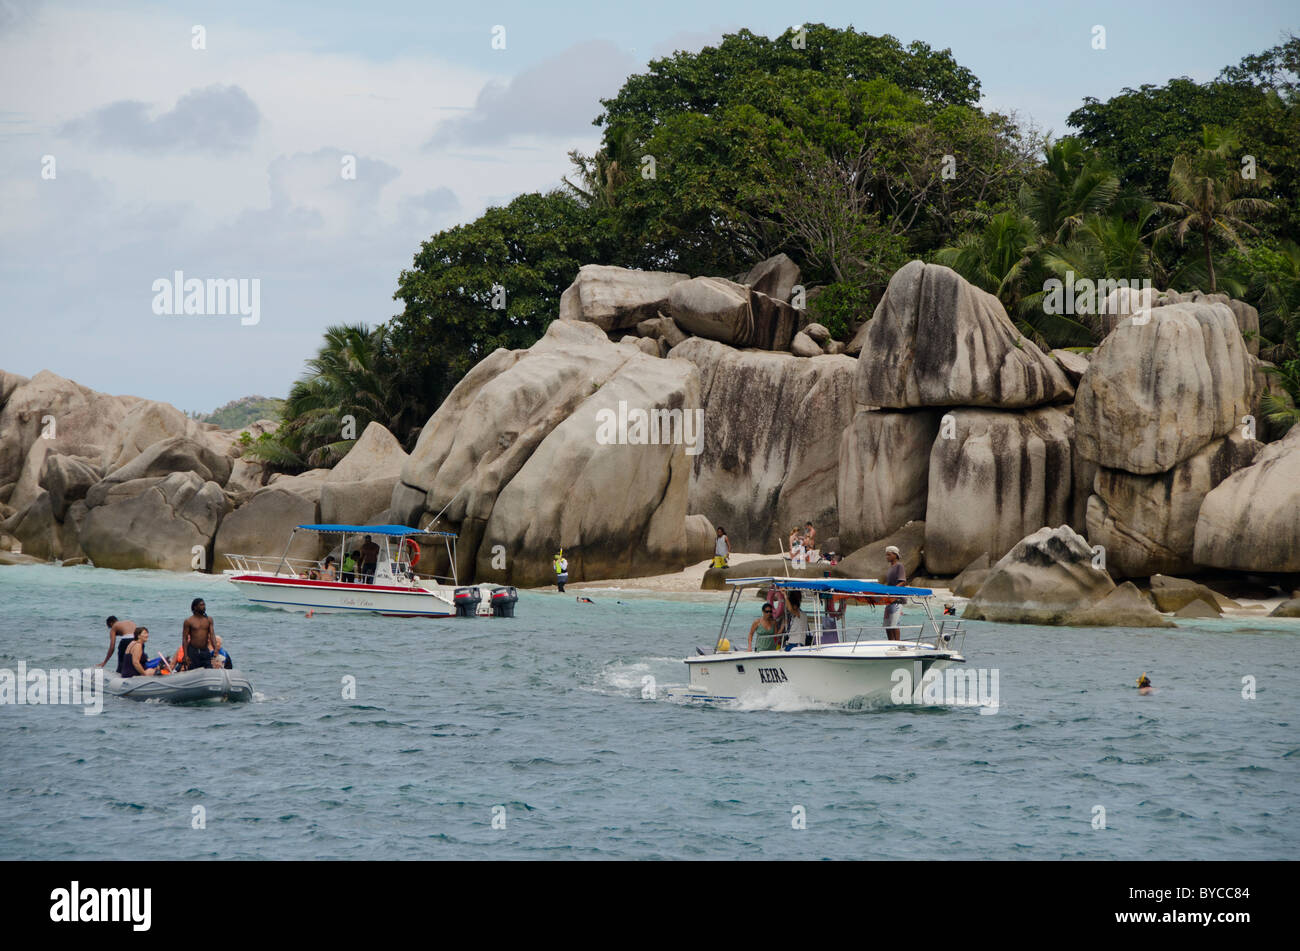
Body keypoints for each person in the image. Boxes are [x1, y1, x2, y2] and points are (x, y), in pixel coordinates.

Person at [181, 597, 216, 671]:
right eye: (201, 605)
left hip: (205, 650)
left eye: (204, 605)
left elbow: (212, 635)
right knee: (192, 671)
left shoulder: (209, 620)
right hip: (193, 651)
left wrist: (215, 648)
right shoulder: (189, 621)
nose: (204, 607)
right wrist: (185, 655)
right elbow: (185, 639)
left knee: (209, 670)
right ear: (195, 607)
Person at [883, 546, 906, 640]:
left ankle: (897, 643)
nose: (887, 557)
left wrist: (893, 591)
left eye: (889, 554)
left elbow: (903, 581)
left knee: (894, 623)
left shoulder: (899, 566)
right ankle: (890, 643)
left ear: (895, 555)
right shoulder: (890, 568)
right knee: (887, 624)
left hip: (897, 600)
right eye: (886, 555)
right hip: (889, 600)